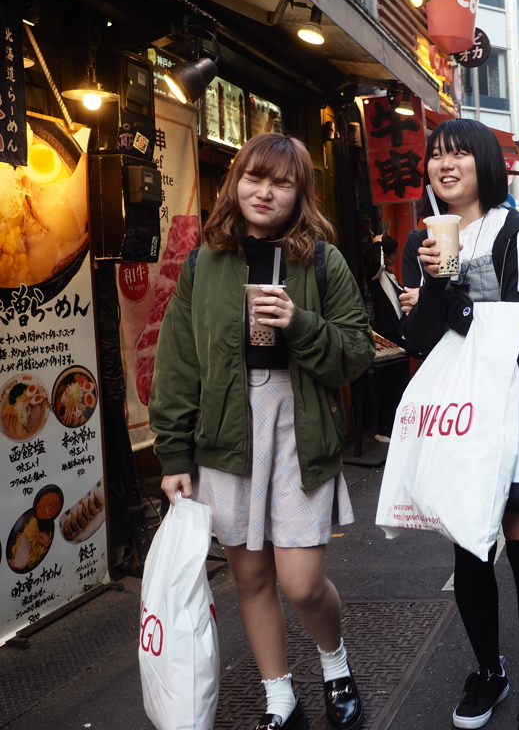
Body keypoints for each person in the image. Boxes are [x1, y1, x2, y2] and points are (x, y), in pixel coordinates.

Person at [150, 133, 376, 730]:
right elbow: (178, 363)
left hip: (297, 426)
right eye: (254, 177)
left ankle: (334, 660)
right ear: (235, 182)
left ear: (300, 193)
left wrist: (300, 323)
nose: (264, 191)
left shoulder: (323, 260)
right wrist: (173, 452)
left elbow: (355, 354)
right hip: (226, 431)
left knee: (301, 583)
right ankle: (280, 695)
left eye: (281, 182)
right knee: (249, 576)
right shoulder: (205, 260)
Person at [402, 118, 519, 730]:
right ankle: (490, 670)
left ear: (485, 166)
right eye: (436, 156)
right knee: (470, 549)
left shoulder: (515, 231)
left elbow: (515, 324)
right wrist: (431, 282)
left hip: (518, 398)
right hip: (460, 410)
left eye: (460, 155)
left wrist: (450, 293)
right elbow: (415, 336)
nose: (445, 165)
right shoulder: (427, 239)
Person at [362, 234, 410, 442]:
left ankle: (395, 427)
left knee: (399, 383)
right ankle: (384, 429)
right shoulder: (375, 274)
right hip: (386, 334)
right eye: (394, 254)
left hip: (398, 333)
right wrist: (378, 242)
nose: (396, 257)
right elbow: (376, 263)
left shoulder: (389, 276)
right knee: (389, 384)